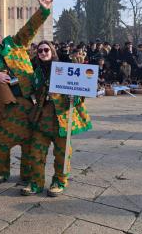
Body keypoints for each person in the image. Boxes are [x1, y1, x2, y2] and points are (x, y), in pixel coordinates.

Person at [0, 0, 53, 185]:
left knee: (28, 140)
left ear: (1, 36)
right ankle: (0, 171)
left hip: (24, 101)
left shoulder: (15, 43)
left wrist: (44, 10)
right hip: (1, 105)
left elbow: (30, 27)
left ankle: (27, 172)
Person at [21, 41, 91, 196]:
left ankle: (59, 181)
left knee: (63, 153)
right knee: (36, 152)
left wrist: (76, 96)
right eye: (40, 51)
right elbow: (28, 89)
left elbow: (80, 90)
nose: (43, 53)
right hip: (42, 118)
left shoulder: (65, 69)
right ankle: (36, 183)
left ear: (52, 51)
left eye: (46, 50)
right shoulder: (36, 72)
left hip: (62, 118)